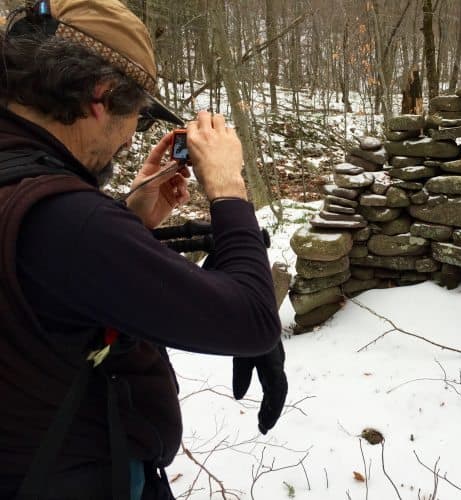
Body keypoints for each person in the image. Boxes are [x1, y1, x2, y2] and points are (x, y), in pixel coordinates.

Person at [0, 1, 287, 499]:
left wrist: (128, 219)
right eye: (136, 114)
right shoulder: (67, 221)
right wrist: (226, 186)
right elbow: (252, 321)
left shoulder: (22, 176)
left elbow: (47, 284)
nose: (133, 134)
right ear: (100, 95)